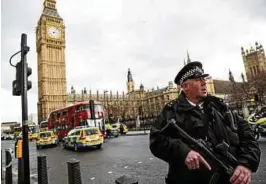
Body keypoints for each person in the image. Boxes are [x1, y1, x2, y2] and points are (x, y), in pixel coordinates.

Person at [149, 61, 261, 184]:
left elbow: (248, 135)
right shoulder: (171, 111)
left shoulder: (220, 107)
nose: (204, 83)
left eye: (204, 79)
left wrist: (246, 164)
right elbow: (156, 140)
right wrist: (184, 152)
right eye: (198, 80)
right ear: (185, 86)